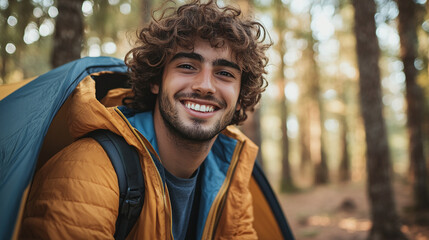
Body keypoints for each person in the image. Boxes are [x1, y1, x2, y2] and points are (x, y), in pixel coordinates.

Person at [19, 0, 271, 239]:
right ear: (155, 81)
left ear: (239, 97)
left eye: (224, 73)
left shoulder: (228, 180)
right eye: (187, 66)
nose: (205, 86)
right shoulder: (88, 171)